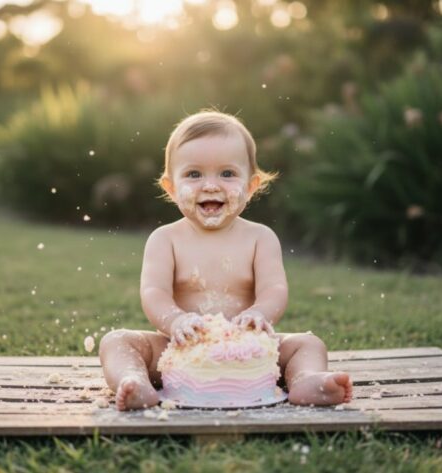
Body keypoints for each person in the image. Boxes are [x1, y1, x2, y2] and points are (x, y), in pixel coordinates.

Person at [99, 110, 353, 411]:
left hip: (250, 351)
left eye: (227, 173)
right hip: (180, 351)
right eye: (194, 174)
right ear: (170, 187)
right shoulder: (165, 239)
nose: (210, 185)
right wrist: (176, 320)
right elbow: (154, 293)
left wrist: (260, 313)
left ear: (251, 185)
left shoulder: (261, 238)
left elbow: (274, 289)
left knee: (308, 344)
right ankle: (134, 380)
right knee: (117, 341)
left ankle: (307, 380)